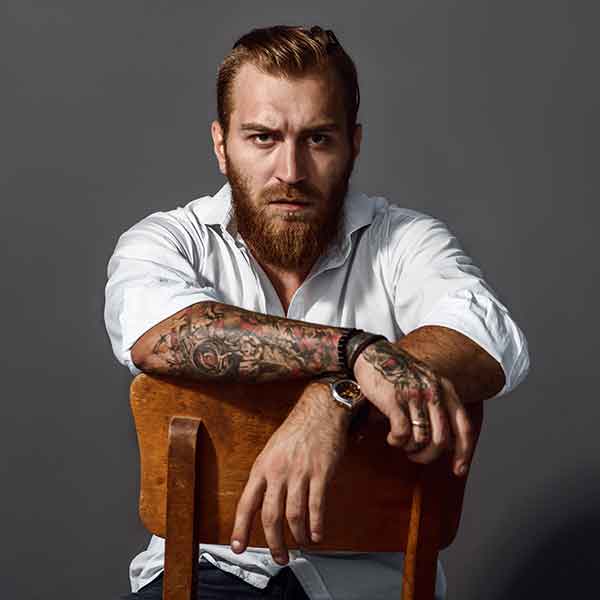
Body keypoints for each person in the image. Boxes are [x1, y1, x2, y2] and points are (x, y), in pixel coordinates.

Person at [105, 25, 529, 600]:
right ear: (221, 145)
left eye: (318, 139)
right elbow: (162, 335)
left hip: (369, 587)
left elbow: (487, 341)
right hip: (205, 576)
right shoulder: (168, 242)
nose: (291, 171)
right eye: (263, 137)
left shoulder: (406, 242)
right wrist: (356, 352)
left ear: (354, 144)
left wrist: (334, 397)